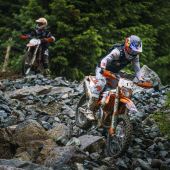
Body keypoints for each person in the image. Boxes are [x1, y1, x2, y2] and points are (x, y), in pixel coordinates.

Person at [88, 35, 143, 112]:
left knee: (120, 89)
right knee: (101, 84)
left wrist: (141, 79)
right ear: (127, 45)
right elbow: (104, 60)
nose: (133, 53)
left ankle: (107, 107)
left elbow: (137, 69)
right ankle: (89, 110)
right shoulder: (117, 52)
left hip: (114, 72)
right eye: (132, 50)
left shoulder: (135, 56)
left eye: (136, 51)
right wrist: (103, 69)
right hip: (102, 69)